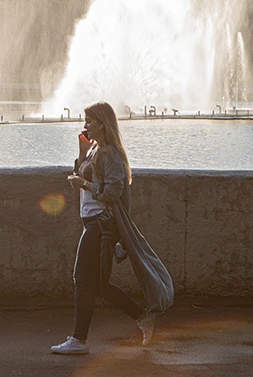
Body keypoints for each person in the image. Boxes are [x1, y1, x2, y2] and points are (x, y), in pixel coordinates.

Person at [50, 101, 174, 355]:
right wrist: (82, 153)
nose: (85, 125)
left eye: (89, 121)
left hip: (101, 224)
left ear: (103, 124)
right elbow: (85, 176)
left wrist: (84, 185)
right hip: (94, 222)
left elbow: (112, 192)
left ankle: (78, 340)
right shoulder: (97, 150)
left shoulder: (110, 154)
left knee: (82, 279)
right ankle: (142, 316)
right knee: (98, 285)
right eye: (85, 120)